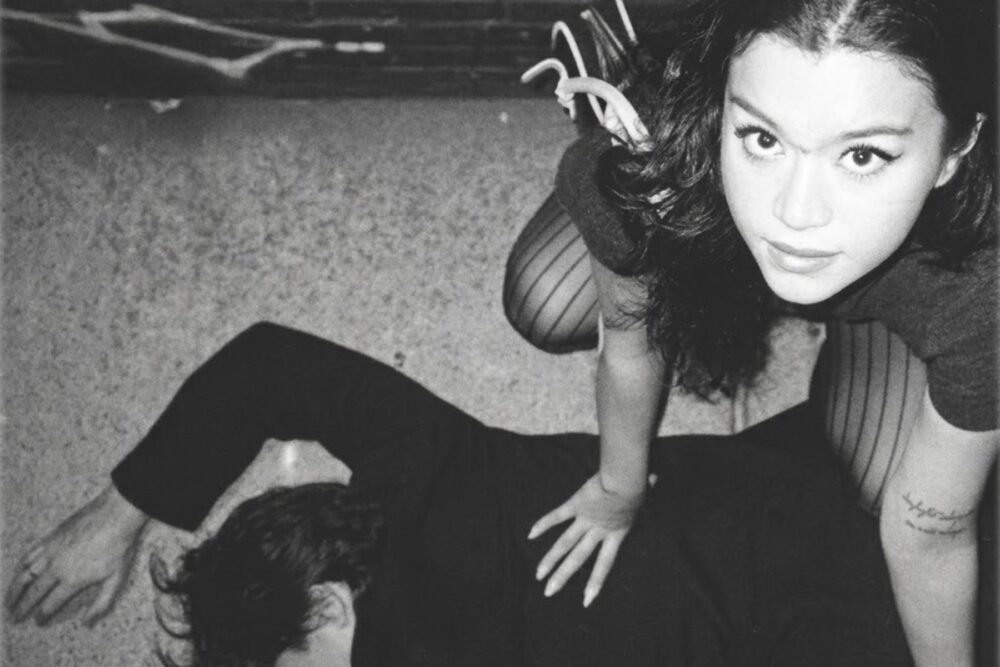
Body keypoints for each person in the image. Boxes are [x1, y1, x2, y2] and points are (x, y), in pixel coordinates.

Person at [506, 1, 998, 665]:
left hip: (918, 266)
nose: (794, 213)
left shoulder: (983, 285)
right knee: (543, 299)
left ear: (954, 150)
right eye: (763, 138)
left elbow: (931, 532)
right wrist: (618, 489)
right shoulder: (665, 168)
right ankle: (648, 83)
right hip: (698, 196)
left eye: (862, 154)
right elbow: (629, 347)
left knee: (881, 476)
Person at [7, 322, 912, 666]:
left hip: (870, 616)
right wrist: (120, 513)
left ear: (327, 606)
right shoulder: (430, 474)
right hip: (823, 477)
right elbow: (268, 366)